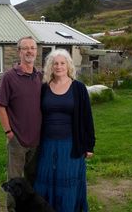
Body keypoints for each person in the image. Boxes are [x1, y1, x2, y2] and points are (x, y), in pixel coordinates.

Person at [34, 49, 95, 212]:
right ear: (50, 66)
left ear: (68, 65)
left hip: (70, 143)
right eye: (55, 63)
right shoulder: (44, 88)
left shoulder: (79, 88)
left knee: (68, 180)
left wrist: (89, 145)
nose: (59, 66)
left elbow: (87, 117)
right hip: (47, 143)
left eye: (62, 63)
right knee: (46, 179)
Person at [0, 36, 42, 211]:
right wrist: (9, 133)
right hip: (17, 141)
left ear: (36, 51)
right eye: (26, 48)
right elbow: (1, 107)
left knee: (32, 181)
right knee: (14, 182)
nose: (30, 51)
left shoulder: (40, 76)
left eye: (33, 48)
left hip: (37, 141)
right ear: (19, 52)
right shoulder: (9, 77)